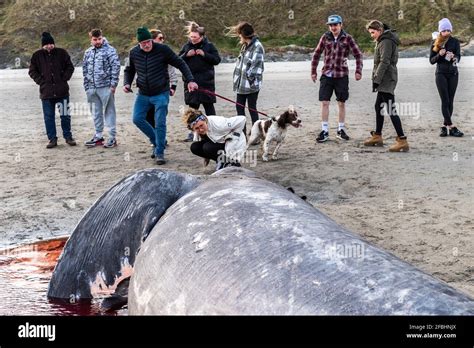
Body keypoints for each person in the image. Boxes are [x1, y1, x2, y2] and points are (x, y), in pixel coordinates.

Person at [124, 27, 198, 165]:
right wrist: (127, 83)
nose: (146, 45)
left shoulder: (163, 50)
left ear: (151, 40)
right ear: (139, 43)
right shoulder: (134, 52)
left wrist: (191, 80)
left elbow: (180, 63)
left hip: (161, 93)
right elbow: (129, 69)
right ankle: (158, 142)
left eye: (148, 41)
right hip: (143, 94)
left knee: (160, 122)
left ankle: (159, 152)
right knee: (137, 118)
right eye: (143, 43)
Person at [311, 15, 363, 143]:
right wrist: (313, 71)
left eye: (335, 25)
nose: (333, 27)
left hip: (341, 75)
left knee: (341, 103)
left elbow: (358, 54)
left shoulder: (348, 38)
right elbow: (317, 54)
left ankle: (341, 130)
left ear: (341, 25)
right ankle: (324, 131)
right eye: (331, 25)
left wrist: (358, 71)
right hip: (327, 75)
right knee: (324, 102)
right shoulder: (325, 37)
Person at [363, 20, 409, 152]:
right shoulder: (383, 40)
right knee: (379, 106)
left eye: (373, 32)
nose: (371, 35)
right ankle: (377, 136)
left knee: (390, 108)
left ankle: (402, 139)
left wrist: (376, 80)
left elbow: (384, 62)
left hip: (386, 79)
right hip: (384, 78)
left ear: (379, 30)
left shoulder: (386, 41)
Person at [28, 32, 76, 148]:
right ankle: (52, 139)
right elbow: (32, 71)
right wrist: (41, 81)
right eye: (47, 44)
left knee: (65, 115)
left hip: (62, 91)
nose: (49, 46)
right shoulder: (37, 55)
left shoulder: (62, 53)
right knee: (48, 117)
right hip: (46, 93)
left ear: (54, 44)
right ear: (43, 45)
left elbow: (70, 67)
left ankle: (68, 137)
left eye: (51, 44)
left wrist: (64, 78)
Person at [179, 21, 221, 142]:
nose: (193, 39)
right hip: (191, 82)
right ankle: (192, 133)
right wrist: (186, 55)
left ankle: (214, 129)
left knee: (209, 108)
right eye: (191, 37)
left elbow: (217, 60)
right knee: (192, 109)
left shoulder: (209, 46)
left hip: (206, 83)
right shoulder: (186, 46)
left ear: (201, 37)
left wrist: (205, 54)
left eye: (195, 37)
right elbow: (177, 60)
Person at [82, 29, 121, 148]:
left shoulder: (110, 50)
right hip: (91, 88)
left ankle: (112, 138)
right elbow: (84, 69)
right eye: (95, 39)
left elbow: (116, 67)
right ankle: (98, 136)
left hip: (105, 87)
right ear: (91, 39)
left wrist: (113, 85)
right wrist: (86, 86)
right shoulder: (88, 52)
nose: (98, 41)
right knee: (96, 112)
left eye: (99, 39)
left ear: (102, 37)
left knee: (109, 112)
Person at [430, 18, 463, 137]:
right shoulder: (436, 42)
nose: (447, 32)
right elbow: (431, 61)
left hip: (454, 73)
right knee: (445, 100)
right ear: (440, 31)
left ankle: (444, 126)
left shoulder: (455, 41)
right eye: (444, 30)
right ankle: (451, 126)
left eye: (449, 30)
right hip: (441, 74)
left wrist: (454, 57)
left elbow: (458, 56)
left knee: (451, 100)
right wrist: (439, 54)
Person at [229, 22, 264, 131]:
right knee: (239, 108)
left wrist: (250, 79)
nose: (239, 36)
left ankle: (256, 134)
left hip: (251, 85)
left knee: (252, 109)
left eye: (239, 34)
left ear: (243, 35)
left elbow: (257, 67)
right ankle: (242, 134)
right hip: (241, 85)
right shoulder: (245, 46)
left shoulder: (257, 46)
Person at [146, 29, 178, 129]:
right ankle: (155, 136)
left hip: (163, 89)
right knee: (147, 116)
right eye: (160, 38)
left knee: (161, 115)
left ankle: (161, 138)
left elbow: (172, 71)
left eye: (163, 38)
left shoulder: (165, 52)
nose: (162, 40)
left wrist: (173, 87)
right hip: (146, 90)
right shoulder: (143, 53)